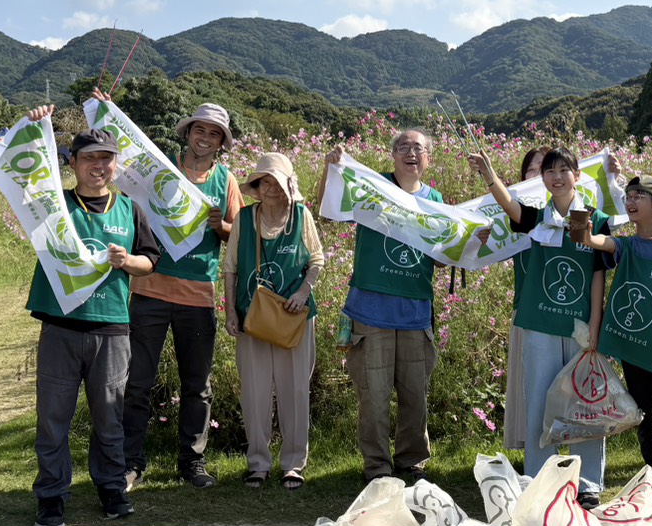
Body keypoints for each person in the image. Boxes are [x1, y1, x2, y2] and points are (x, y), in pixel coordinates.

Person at [22, 108, 161, 526]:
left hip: (112, 327)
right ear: (72, 163)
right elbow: (26, 178)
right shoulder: (55, 205)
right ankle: (51, 497)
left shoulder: (130, 209)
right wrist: (35, 127)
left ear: (115, 164)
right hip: (61, 325)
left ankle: (112, 489)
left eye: (106, 159)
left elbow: (150, 261)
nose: (98, 166)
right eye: (89, 158)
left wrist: (127, 261)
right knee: (53, 418)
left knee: (109, 417)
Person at [468, 146, 610, 506]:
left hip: (579, 327)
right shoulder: (536, 219)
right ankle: (539, 479)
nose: (557, 177)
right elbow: (509, 206)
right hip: (539, 323)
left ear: (578, 175)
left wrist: (595, 325)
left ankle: (587, 483)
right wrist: (488, 174)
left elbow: (598, 276)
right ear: (543, 179)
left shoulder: (596, 220)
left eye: (564, 170)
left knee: (584, 401)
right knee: (539, 400)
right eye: (550, 171)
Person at [122, 101, 242, 490]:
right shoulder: (162, 169)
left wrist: (221, 226)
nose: (205, 138)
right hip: (149, 288)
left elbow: (239, 236)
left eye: (214, 134)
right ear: (187, 133)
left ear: (221, 143)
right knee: (137, 381)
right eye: (199, 130)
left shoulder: (226, 180)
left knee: (197, 386)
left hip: (198, 294)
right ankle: (130, 462)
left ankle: (192, 462)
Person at [325, 130, 443, 482]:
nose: (411, 153)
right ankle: (377, 467)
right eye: (403, 147)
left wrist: (469, 243)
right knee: (373, 397)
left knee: (415, 397)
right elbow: (330, 209)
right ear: (392, 155)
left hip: (415, 313)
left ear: (428, 158)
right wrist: (331, 170)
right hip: (370, 312)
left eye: (418, 148)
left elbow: (441, 256)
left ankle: (411, 462)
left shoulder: (435, 199)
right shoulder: (373, 186)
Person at [577, 176, 652, 513]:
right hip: (635, 351)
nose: (630, 201)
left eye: (639, 196)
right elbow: (595, 241)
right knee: (644, 420)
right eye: (628, 196)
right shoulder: (626, 246)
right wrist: (582, 223)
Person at [223, 153, 324, 488]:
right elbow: (230, 267)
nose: (269, 188)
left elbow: (317, 259)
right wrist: (230, 311)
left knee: (295, 389)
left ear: (288, 187)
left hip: (293, 317)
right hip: (251, 316)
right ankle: (258, 463)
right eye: (263, 182)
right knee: (255, 391)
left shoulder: (301, 216)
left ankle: (293, 464)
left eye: (276, 183)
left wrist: (303, 292)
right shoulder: (244, 218)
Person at [500, 148, 547, 452]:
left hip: (566, 309)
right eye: (532, 170)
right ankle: (534, 449)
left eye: (547, 168)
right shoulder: (517, 211)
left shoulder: (573, 210)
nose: (539, 176)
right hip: (527, 307)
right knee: (529, 382)